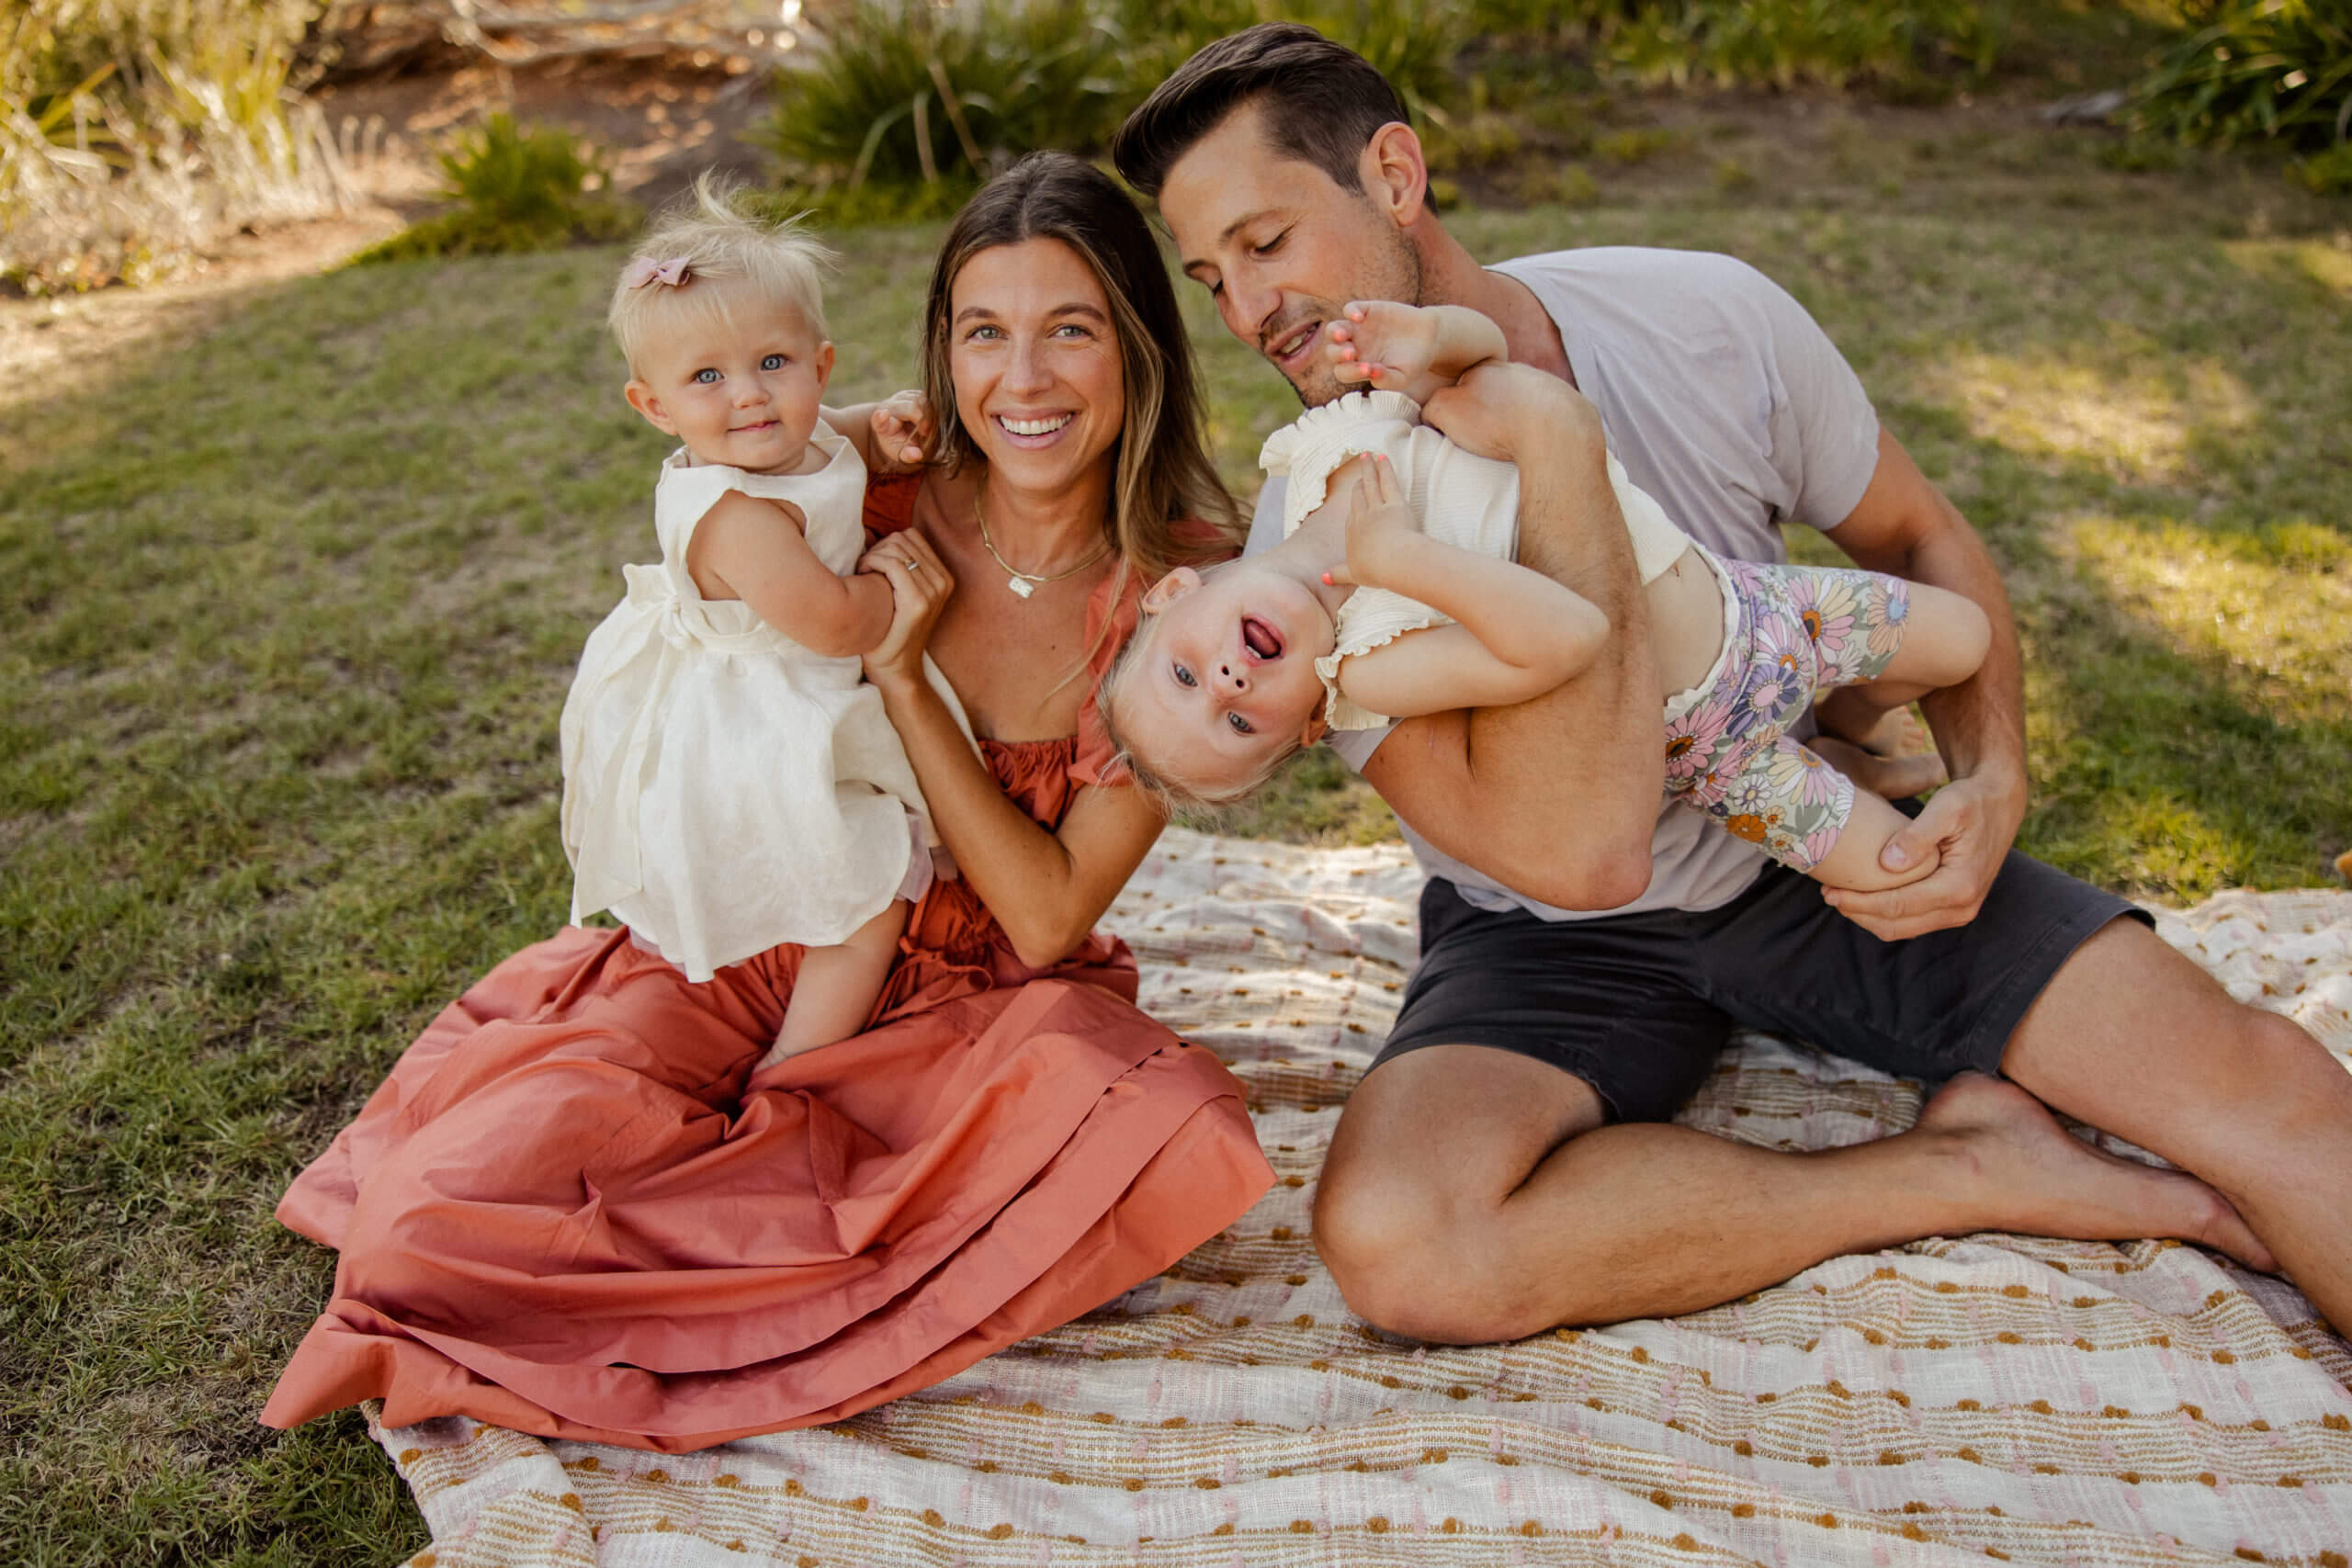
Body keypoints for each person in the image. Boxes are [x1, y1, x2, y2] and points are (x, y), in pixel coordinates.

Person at [1112, 23, 2352, 1343]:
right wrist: (1551, 443)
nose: (1247, 313)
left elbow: (1921, 540)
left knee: (2261, 1089)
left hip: (1801, 851)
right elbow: (1575, 858)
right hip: (1549, 930)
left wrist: (1994, 777)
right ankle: (1969, 1166)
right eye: (1210, 279)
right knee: (1404, 1243)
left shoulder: (1705, 317)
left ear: (1397, 176)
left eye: (1265, 244)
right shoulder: (1303, 562)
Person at [260, 152, 1272, 1450]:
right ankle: (733, 1198)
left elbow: (1042, 915)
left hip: (978, 1000)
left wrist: (905, 681)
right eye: (983, 334)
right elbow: (737, 498)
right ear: (941, 352)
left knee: (1159, 1114)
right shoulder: (862, 496)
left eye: (1069, 331)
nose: (1021, 380)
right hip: (774, 919)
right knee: (437, 1218)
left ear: (1137, 346)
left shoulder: (1183, 593)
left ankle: (775, 1211)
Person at [1099, 299, 1990, 894]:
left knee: (1964, 638)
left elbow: (1487, 360)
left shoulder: (1316, 453)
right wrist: (1400, 560)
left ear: (1173, 592)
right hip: (1702, 743)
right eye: (1238, 724)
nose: (1225, 683)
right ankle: (1828, 766)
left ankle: (1849, 732)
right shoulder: (1368, 667)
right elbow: (1570, 633)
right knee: (1893, 864)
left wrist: (1427, 339)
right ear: (1305, 728)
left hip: (1754, 609)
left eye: (1183, 673)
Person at [564, 177, 941, 1061]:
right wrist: (900, 585)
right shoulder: (737, 516)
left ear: (820, 361)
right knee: (863, 893)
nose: (750, 397)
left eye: (774, 364)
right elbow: (839, 622)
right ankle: (796, 1058)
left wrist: (879, 433)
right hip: (757, 718)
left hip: (785, 685)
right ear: (654, 408)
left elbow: (835, 441)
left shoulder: (787, 436)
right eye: (707, 378)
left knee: (863, 852)